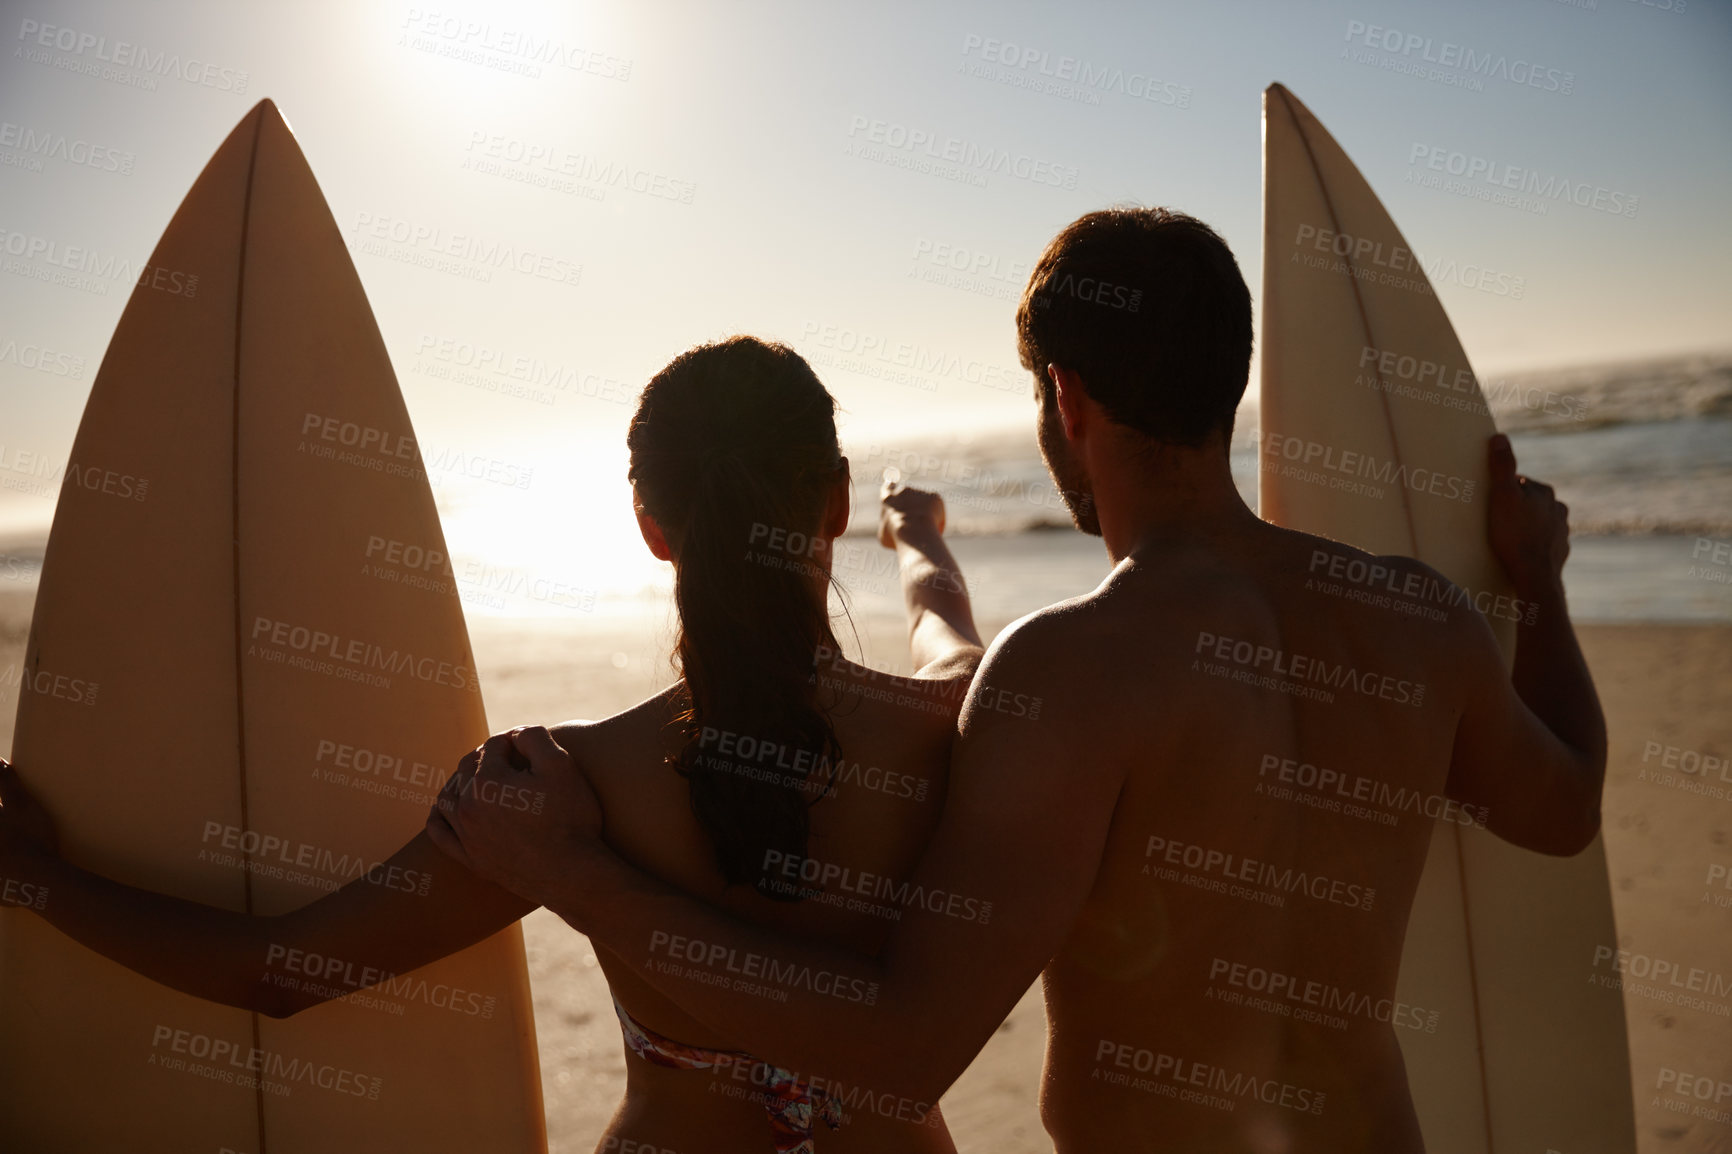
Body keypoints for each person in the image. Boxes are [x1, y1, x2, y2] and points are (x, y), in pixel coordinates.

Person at [433, 208, 1607, 1153]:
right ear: (1228, 384)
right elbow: (1565, 811)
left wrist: (576, 873)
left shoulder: (1073, 668)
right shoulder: (1420, 617)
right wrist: (1537, 582)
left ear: (1067, 400)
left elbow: (900, 1047)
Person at [0, 336, 986, 1154]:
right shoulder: (952, 723)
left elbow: (281, 971)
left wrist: (36, 876)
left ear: (650, 525)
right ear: (838, 501)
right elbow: (944, 627)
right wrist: (921, 542)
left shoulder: (557, 787)